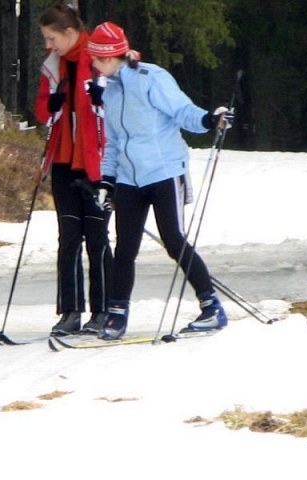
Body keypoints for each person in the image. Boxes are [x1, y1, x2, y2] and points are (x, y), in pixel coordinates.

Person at [85, 22, 233, 340]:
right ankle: (117, 314)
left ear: (111, 56)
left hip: (164, 171)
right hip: (128, 178)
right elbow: (112, 142)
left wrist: (210, 119)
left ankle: (211, 308)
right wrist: (106, 181)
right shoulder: (110, 91)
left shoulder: (151, 78)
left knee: (173, 240)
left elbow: (183, 112)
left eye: (97, 59)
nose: (94, 65)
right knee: (125, 248)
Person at [35, 2, 113, 336]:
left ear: (70, 33)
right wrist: (49, 107)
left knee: (96, 237)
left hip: (97, 164)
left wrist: (101, 99)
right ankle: (70, 311)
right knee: (68, 238)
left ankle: (104, 309)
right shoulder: (54, 66)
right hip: (65, 161)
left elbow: (119, 105)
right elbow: (42, 111)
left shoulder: (98, 57)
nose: (48, 45)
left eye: (52, 38)